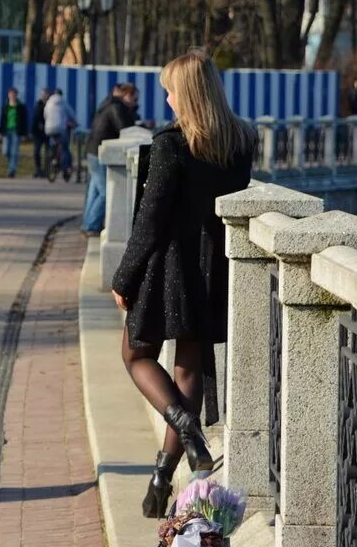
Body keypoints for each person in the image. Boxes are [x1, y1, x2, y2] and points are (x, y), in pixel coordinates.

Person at [110, 49, 256, 518]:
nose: (167, 99)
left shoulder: (171, 145)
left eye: (171, 91)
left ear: (186, 95)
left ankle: (190, 435)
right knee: (188, 368)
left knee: (134, 354)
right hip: (215, 266)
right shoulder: (241, 140)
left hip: (170, 266)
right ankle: (159, 481)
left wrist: (124, 275)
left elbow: (150, 221)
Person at [81, 83, 138, 236]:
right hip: (100, 153)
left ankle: (88, 223)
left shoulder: (108, 103)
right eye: (134, 98)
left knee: (94, 192)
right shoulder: (117, 107)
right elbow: (125, 129)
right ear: (127, 95)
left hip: (93, 150)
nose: (135, 102)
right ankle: (91, 225)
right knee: (106, 192)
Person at [43, 88, 77, 180]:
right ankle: (65, 168)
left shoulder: (48, 103)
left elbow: (45, 115)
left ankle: (52, 159)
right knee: (65, 148)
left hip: (49, 129)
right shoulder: (63, 102)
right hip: (60, 129)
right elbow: (71, 114)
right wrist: (75, 122)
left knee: (52, 145)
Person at [0, 87, 28, 178]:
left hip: (16, 131)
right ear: (8, 95)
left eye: (14, 94)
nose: (12, 96)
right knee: (6, 151)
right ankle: (12, 163)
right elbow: (1, 120)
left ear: (16, 95)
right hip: (6, 130)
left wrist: (24, 133)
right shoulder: (5, 107)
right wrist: (0, 132)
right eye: (10, 94)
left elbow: (24, 121)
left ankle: (11, 170)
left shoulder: (21, 107)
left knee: (14, 151)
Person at [31, 88, 50, 177]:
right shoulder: (38, 105)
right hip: (38, 133)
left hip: (48, 131)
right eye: (43, 94)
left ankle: (47, 170)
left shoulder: (51, 105)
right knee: (36, 152)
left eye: (46, 94)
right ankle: (37, 169)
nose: (44, 96)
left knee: (48, 152)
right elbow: (35, 119)